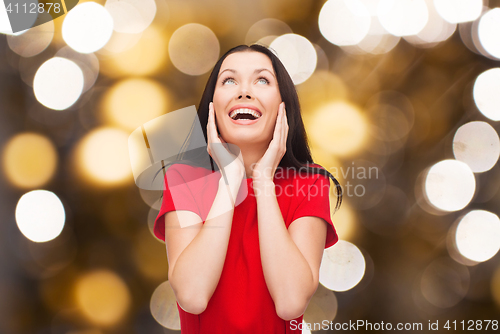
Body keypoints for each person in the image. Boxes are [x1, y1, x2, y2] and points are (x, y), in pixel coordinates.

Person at [153, 44, 342, 333]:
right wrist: (230, 179)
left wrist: (263, 181)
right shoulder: (184, 179)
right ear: (212, 105)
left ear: (283, 106)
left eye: (262, 80)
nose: (244, 91)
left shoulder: (309, 183)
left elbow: (291, 302)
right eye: (229, 80)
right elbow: (192, 296)